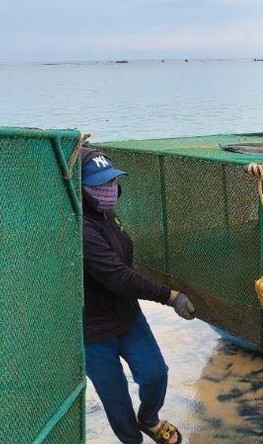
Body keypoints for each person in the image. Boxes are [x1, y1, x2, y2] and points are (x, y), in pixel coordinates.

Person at [81, 146, 196, 444]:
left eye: (113, 181)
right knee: (116, 399)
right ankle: (133, 440)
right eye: (100, 185)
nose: (110, 189)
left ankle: (149, 418)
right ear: (79, 191)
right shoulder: (81, 227)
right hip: (93, 332)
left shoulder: (106, 214)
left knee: (156, 374)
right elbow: (118, 276)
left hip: (128, 316)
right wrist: (169, 295)